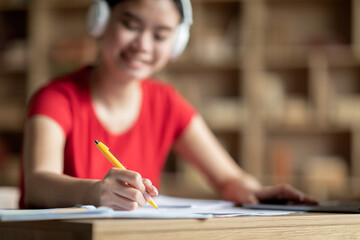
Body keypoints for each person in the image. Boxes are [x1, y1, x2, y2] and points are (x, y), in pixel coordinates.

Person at [20, 0, 316, 210]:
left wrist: (256, 192)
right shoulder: (55, 98)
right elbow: (37, 185)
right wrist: (96, 191)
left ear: (177, 42)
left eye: (160, 35)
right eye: (130, 25)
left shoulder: (167, 102)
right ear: (101, 19)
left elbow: (227, 178)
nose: (143, 45)